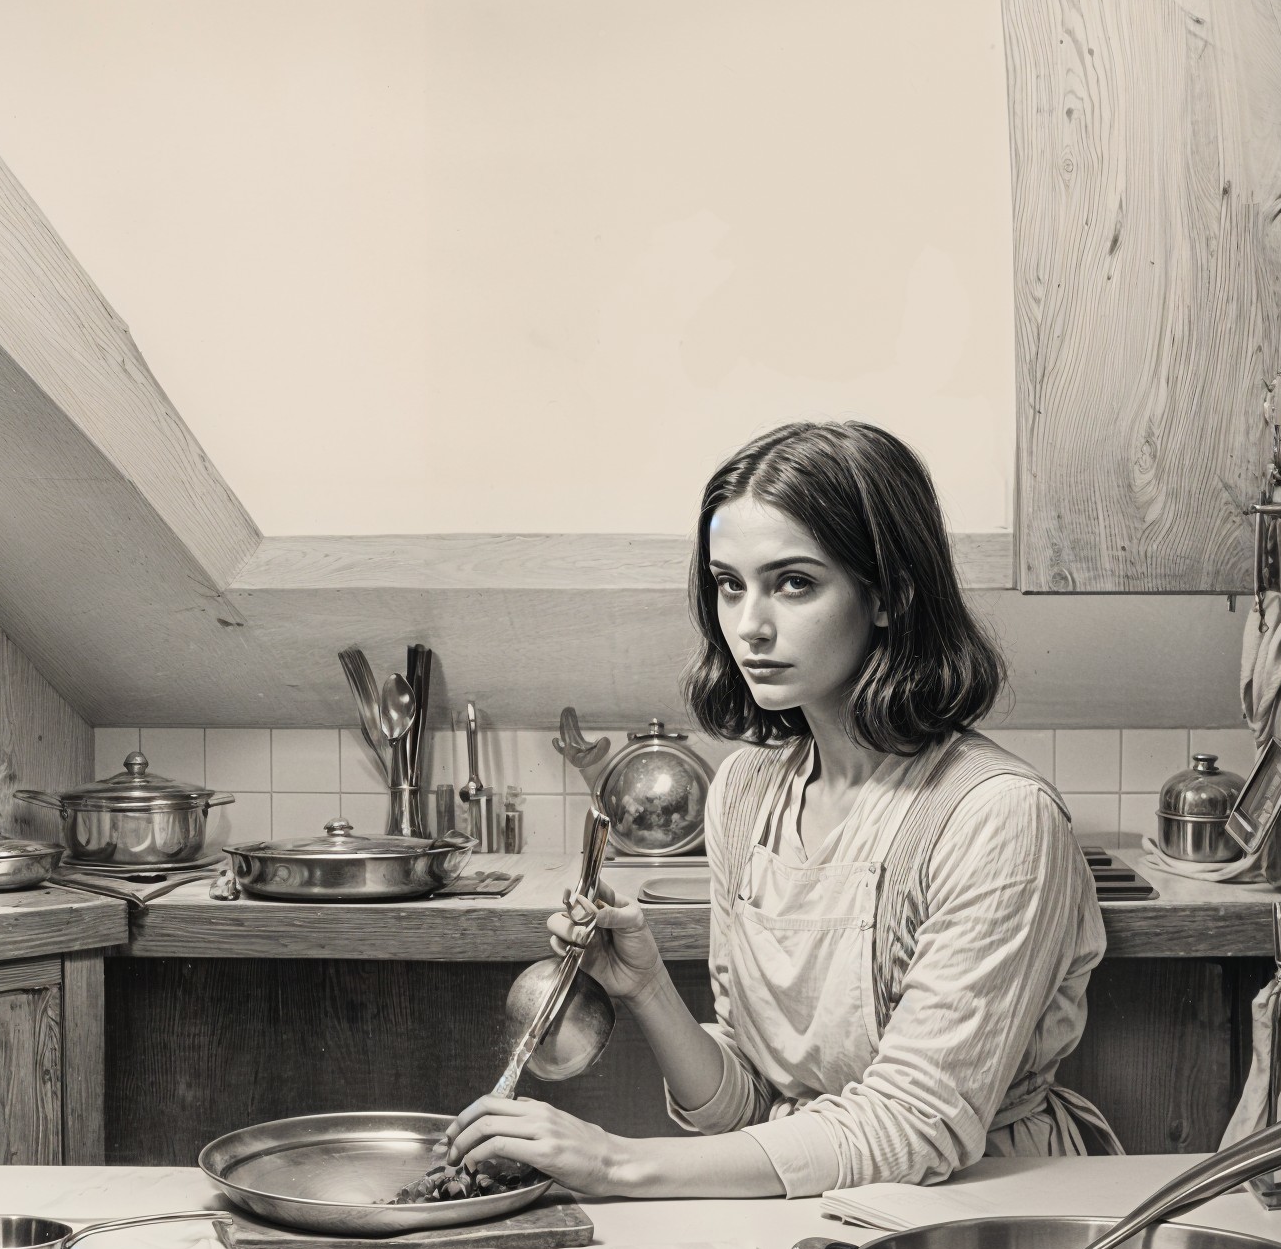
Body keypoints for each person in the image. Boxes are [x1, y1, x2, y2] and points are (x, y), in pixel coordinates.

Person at [447, 422, 1113, 1198]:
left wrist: (612, 1161)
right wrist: (647, 988)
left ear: (891, 595)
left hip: (983, 1210)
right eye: (730, 584)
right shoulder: (746, 791)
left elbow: (914, 1126)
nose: (749, 625)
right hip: (805, 1209)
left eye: (794, 582)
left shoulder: (996, 816)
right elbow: (753, 1115)